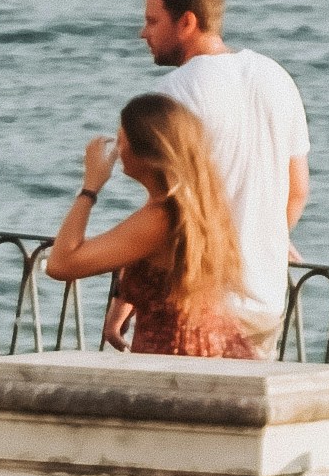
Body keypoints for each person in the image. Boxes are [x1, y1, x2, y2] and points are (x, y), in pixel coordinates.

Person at [124, 0, 307, 334]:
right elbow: (297, 191)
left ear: (187, 22)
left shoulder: (172, 94)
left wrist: (125, 298)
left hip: (195, 306)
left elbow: (165, 209)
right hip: (265, 302)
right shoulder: (276, 77)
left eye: (152, 21)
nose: (143, 33)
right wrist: (258, 242)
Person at [46, 94, 261, 356]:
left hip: (176, 355)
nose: (118, 148)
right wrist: (120, 310)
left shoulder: (161, 218)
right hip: (208, 344)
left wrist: (90, 188)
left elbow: (60, 264)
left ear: (144, 151)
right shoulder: (197, 204)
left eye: (121, 138)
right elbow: (166, 275)